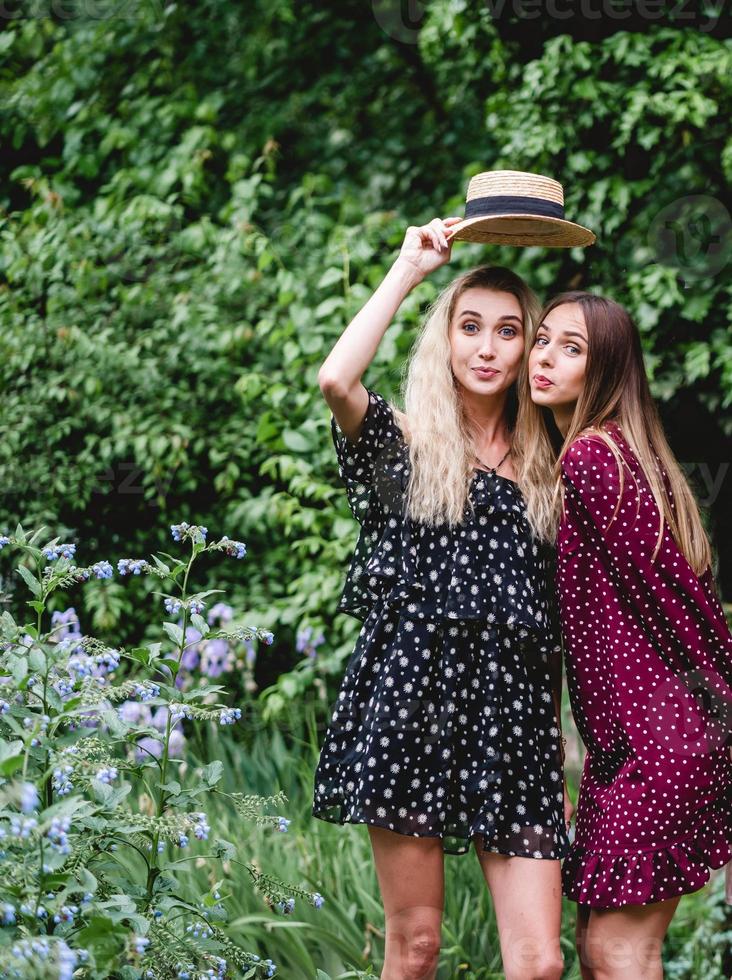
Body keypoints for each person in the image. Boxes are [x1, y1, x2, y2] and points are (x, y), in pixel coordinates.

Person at [312, 215, 572, 980]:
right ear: (447, 340)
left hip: (516, 726)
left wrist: (561, 752)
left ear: (529, 349)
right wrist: (408, 267)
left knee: (540, 963)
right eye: (469, 328)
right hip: (409, 709)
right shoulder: (406, 447)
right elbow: (335, 379)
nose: (487, 348)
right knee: (416, 947)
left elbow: (550, 625)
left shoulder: (553, 465)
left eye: (506, 331)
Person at [523, 290, 732, 980]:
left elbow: (681, 609)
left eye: (572, 348)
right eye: (544, 339)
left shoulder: (594, 459)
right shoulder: (614, 456)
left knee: (618, 953)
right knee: (600, 952)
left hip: (660, 746)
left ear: (607, 370)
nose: (545, 357)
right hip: (629, 751)